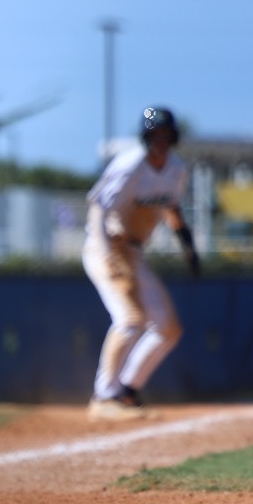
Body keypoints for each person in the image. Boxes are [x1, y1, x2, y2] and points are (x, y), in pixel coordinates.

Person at [84, 106, 199, 420]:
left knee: (168, 329)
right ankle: (103, 398)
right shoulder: (130, 164)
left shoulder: (176, 169)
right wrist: (105, 251)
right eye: (154, 135)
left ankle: (127, 392)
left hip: (133, 252)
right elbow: (97, 207)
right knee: (131, 320)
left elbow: (171, 209)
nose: (160, 141)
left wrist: (188, 246)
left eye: (166, 136)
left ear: (173, 138)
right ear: (145, 137)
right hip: (105, 246)